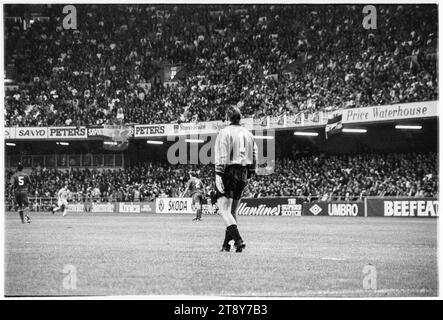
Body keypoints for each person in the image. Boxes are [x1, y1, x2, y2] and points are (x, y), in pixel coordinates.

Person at [214, 105, 257, 252]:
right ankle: (227, 245)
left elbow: (222, 155)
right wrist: (250, 172)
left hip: (229, 171)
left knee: (224, 209)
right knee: (233, 212)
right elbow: (255, 154)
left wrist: (218, 174)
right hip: (244, 172)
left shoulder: (224, 132)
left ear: (227, 118)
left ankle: (238, 241)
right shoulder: (249, 134)